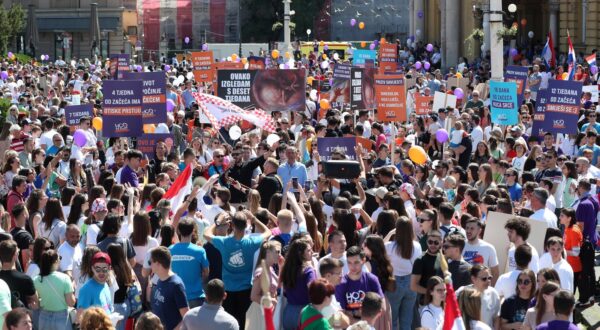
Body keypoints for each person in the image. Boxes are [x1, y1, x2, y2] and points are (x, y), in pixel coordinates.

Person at [203, 210, 271, 328]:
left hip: (228, 290)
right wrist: (254, 219)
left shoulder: (223, 242)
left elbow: (206, 234)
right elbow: (268, 232)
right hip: (245, 291)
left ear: (232, 226)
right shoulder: (253, 242)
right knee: (243, 323)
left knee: (229, 323)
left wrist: (218, 222)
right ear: (246, 225)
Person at [335, 246, 384, 323]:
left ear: (363, 260)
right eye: (349, 263)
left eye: (356, 262)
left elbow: (381, 305)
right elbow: (340, 314)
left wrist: (352, 313)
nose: (352, 266)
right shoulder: (341, 283)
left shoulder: (372, 279)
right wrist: (362, 323)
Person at [170, 219, 209, 308]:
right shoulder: (200, 251)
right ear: (193, 231)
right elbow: (206, 273)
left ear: (179, 231)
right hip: (196, 296)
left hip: (175, 296)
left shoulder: (170, 250)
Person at [34, 249, 76, 330]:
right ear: (56, 261)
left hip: (43, 317)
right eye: (59, 258)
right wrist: (72, 287)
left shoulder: (36, 279)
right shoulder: (64, 278)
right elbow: (71, 302)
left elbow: (36, 303)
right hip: (61, 318)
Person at [149, 246, 189, 330]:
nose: (150, 265)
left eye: (150, 262)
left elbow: (186, 317)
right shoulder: (160, 279)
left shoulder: (176, 285)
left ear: (158, 264)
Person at [0, 240, 38, 309]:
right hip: (20, 316)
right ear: (15, 256)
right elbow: (35, 302)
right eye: (18, 252)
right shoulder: (25, 279)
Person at [77, 252, 114, 321]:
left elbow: (109, 309)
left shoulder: (105, 285)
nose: (101, 273)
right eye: (98, 269)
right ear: (92, 268)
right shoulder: (86, 290)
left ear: (109, 268)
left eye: (104, 269)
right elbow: (80, 318)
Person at [462, 218, 500, 284]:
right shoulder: (460, 245)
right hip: (463, 288)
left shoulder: (488, 248)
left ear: (479, 231)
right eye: (467, 228)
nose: (468, 231)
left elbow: (495, 272)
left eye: (472, 228)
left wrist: (490, 289)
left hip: (481, 289)